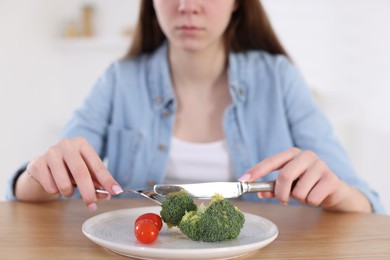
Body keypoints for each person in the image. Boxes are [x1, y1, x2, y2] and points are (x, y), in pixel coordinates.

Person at [6, 0, 384, 213]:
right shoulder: (118, 80)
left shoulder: (279, 78)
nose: (188, 6)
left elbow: (366, 204)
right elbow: (35, 188)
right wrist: (36, 175)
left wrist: (336, 193)